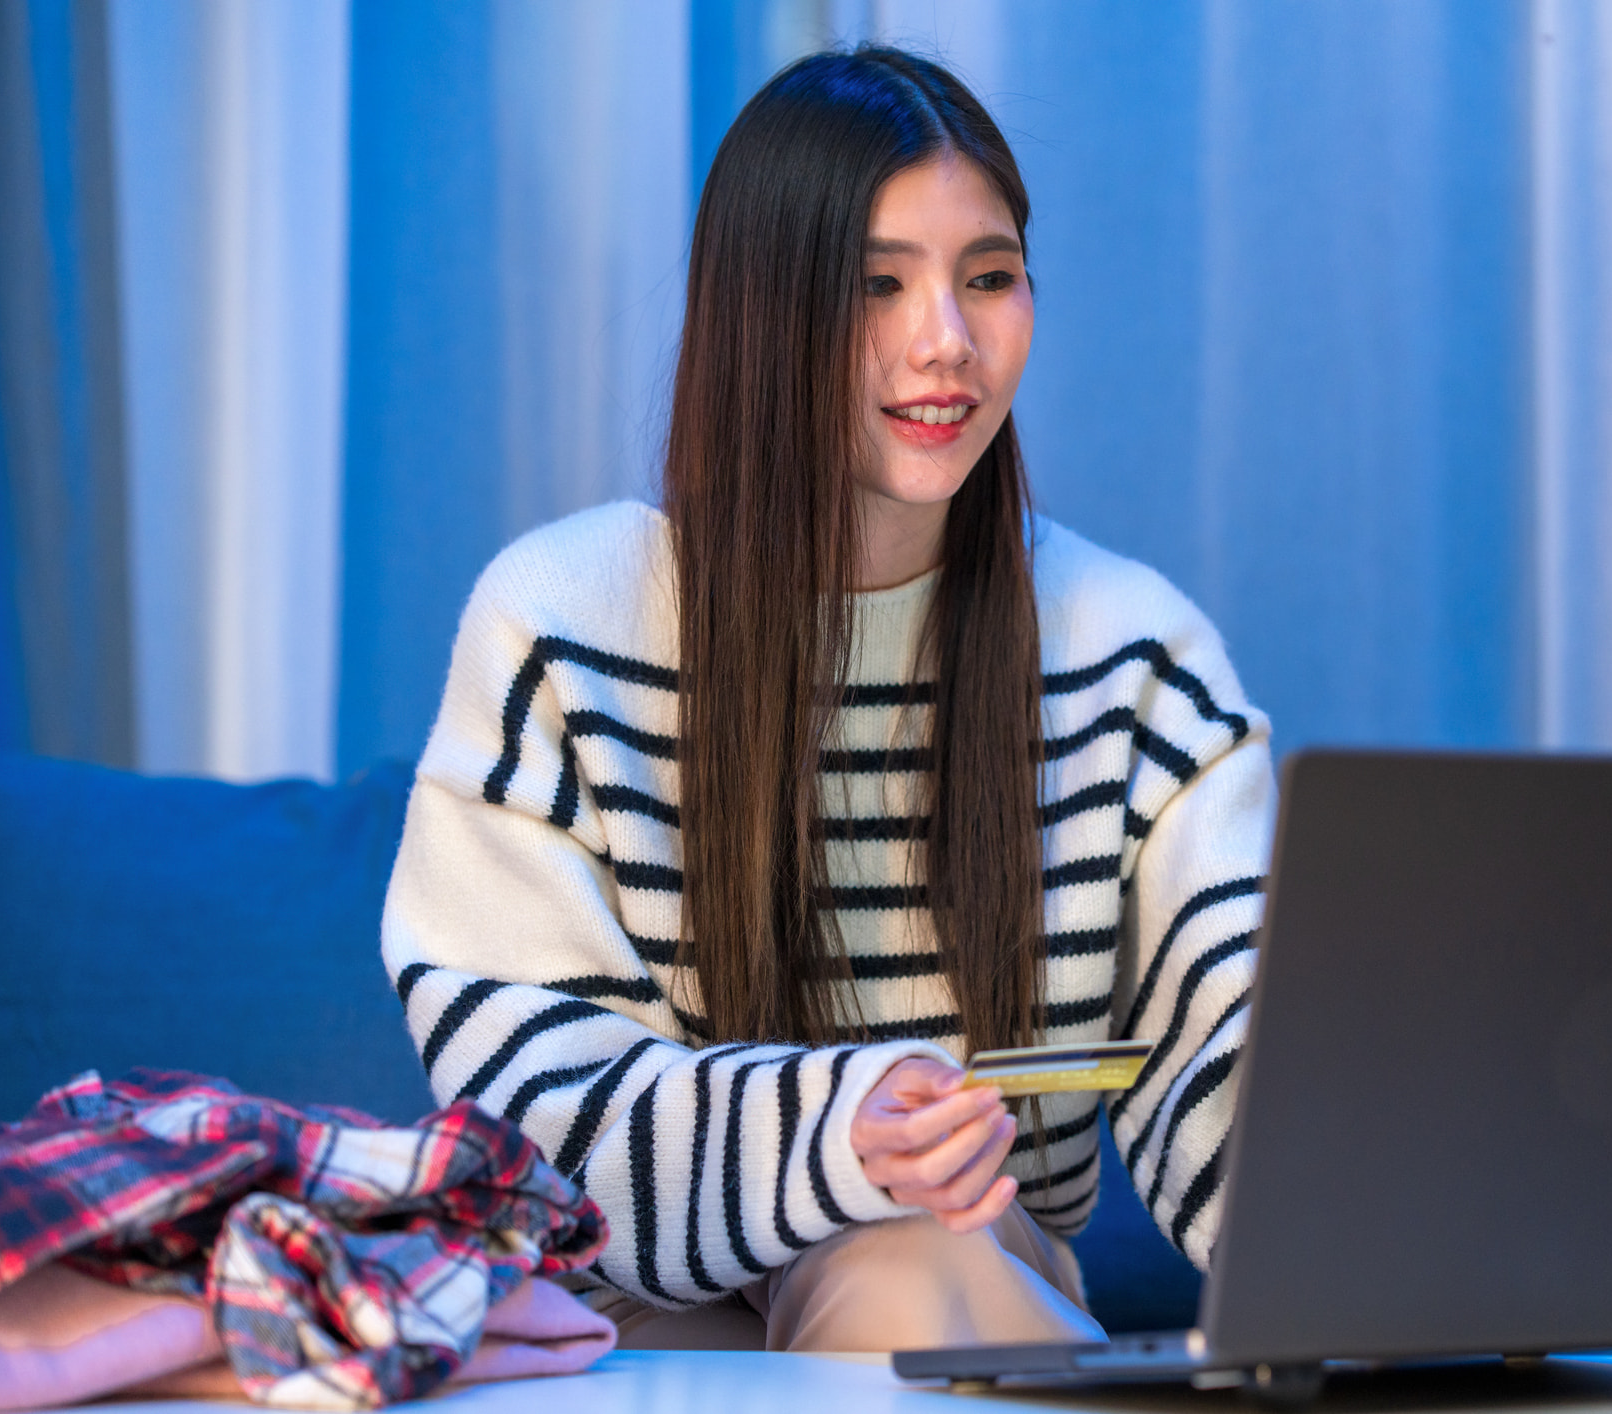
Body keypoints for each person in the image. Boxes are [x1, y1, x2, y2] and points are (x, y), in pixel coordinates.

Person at [382, 45, 1274, 1353]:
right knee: (876, 1241)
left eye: (989, 278)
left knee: (900, 1254)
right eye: (875, 285)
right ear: (762, 311)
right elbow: (530, 1102)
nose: (946, 342)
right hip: (631, 1318)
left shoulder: (1133, 658)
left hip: (971, 1271)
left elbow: (1238, 1086)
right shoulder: (560, 623)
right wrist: (834, 1131)